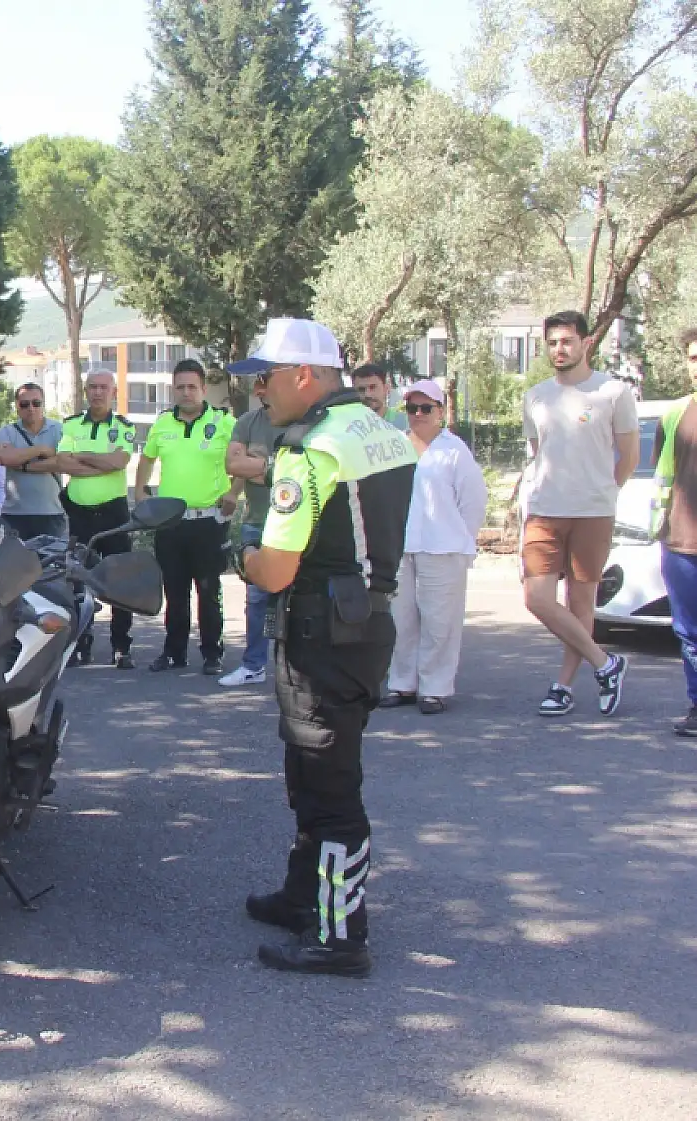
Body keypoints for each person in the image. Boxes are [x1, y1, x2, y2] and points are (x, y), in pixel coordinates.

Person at [230, 318, 416, 977]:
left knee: (329, 785)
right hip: (365, 622)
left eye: (267, 376)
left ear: (303, 375)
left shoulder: (309, 448)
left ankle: (340, 936)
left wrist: (243, 550)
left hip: (319, 633)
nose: (259, 391)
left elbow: (276, 568)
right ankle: (303, 892)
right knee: (310, 770)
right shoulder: (381, 429)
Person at [521, 310, 635, 717]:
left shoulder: (613, 392)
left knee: (580, 603)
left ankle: (563, 687)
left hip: (592, 514)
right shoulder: (535, 396)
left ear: (586, 343)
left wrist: (602, 494)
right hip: (544, 511)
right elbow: (540, 454)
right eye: (552, 343)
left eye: (567, 341)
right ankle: (606, 663)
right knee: (536, 598)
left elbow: (629, 455)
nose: (559, 349)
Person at [382, 379, 488, 714]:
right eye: (412, 408)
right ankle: (402, 684)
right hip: (401, 547)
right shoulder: (394, 446)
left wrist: (460, 539)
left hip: (443, 547)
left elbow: (472, 503)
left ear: (441, 411)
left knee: (440, 622)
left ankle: (435, 688)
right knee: (401, 620)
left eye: (426, 408)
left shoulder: (454, 450)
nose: (418, 414)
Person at [133, 360, 235, 675]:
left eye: (192, 386)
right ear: (173, 390)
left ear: (203, 389)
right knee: (174, 589)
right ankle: (174, 651)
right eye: (180, 387)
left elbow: (241, 460)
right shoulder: (163, 424)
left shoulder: (223, 423)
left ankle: (211, 653)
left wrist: (234, 492)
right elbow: (147, 459)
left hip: (209, 520)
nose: (186, 392)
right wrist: (140, 493)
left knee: (208, 589)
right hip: (171, 521)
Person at [55, 369, 139, 667]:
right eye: (92, 387)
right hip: (79, 513)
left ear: (114, 391)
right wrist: (100, 462)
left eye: (104, 387)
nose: (98, 392)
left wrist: (82, 456)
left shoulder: (124, 426)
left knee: (119, 581)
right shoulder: (72, 425)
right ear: (85, 390)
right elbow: (62, 462)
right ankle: (80, 644)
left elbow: (119, 461)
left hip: (114, 512)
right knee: (77, 582)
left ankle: (121, 646)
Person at [221, 371, 278, 686]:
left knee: (296, 600)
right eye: (259, 384)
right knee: (256, 600)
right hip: (256, 523)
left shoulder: (302, 422)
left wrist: (257, 465)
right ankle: (253, 666)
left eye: (265, 383)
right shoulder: (247, 422)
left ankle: (295, 669)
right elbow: (233, 464)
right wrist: (275, 469)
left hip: (292, 526)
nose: (260, 389)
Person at [654, 327, 697, 737]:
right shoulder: (674, 414)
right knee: (689, 632)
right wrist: (661, 530)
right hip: (682, 544)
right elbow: (663, 476)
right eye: (693, 359)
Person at [0, 381, 67, 540]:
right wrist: (41, 449)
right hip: (13, 515)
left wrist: (23, 465)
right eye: (24, 404)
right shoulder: (6, 431)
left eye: (36, 403)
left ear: (43, 404)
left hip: (51, 513)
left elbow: (62, 463)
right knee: (16, 564)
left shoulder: (59, 430)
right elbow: (6, 458)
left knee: (51, 563)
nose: (31, 409)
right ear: (17, 406)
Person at [349, 364, 411, 433]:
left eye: (373, 387)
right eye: (361, 389)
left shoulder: (405, 423)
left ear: (386, 388)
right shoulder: (349, 426)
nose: (367, 394)